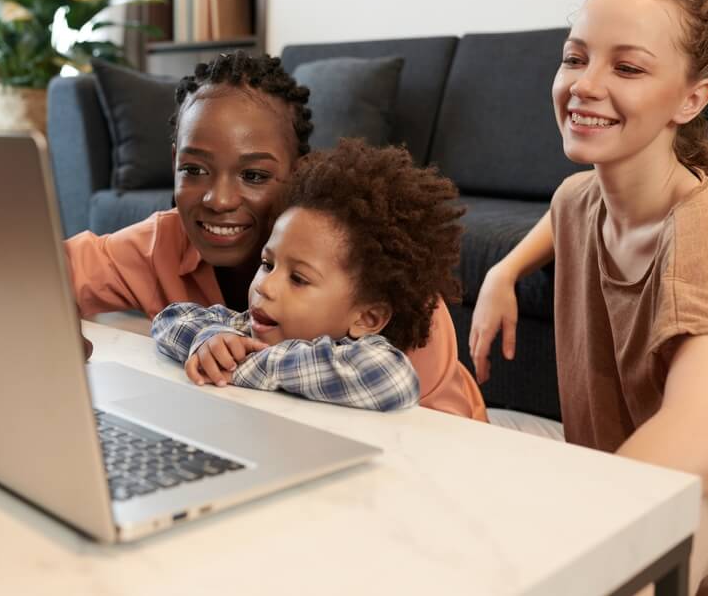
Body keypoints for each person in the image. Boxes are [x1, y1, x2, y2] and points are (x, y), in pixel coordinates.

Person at [469, 0, 708, 593]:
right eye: (575, 58)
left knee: (696, 496)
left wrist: (569, 527)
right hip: (633, 484)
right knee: (466, 424)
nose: (585, 86)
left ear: (692, 98)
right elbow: (562, 210)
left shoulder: (707, 233)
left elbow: (706, 438)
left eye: (627, 68)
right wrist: (503, 273)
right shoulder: (579, 201)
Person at [66, 52, 487, 421]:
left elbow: (417, 423)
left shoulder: (377, 274)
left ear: (300, 170)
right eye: (194, 169)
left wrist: (247, 363)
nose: (219, 199)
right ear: (175, 161)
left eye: (254, 175)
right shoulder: (159, 243)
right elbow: (34, 270)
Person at [151, 140, 464, 412]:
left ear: (366, 319)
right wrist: (207, 340)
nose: (266, 285)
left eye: (298, 279)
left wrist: (235, 366)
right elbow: (170, 320)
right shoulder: (248, 329)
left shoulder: (366, 358)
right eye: (266, 264)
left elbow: (392, 378)